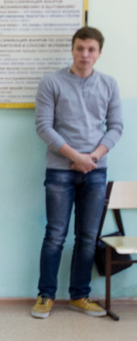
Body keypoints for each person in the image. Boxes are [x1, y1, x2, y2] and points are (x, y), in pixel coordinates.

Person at [32, 26, 123, 319]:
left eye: (91, 49)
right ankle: (45, 295)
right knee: (55, 234)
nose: (85, 54)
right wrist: (76, 157)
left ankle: (79, 296)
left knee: (87, 237)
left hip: (95, 171)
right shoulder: (51, 82)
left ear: (98, 53)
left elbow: (116, 127)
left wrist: (92, 158)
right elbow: (44, 127)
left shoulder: (109, 84)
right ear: (72, 49)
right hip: (60, 170)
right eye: (80, 48)